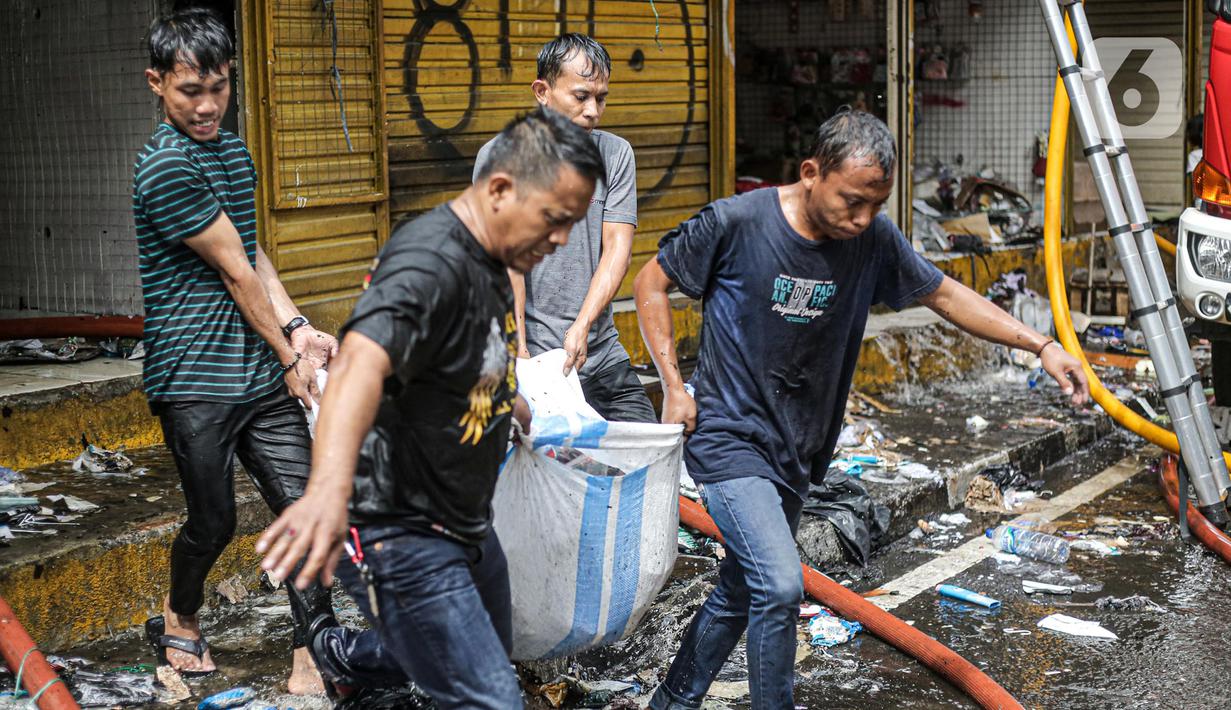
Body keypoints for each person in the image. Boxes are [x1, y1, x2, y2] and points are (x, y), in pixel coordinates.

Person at [634, 110, 1091, 709]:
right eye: (852, 201)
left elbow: (946, 295)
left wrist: (1042, 345)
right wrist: (673, 384)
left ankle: (671, 701)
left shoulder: (872, 238)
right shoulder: (736, 222)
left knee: (743, 589)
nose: (862, 218)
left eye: (876, 205)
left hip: (798, 446)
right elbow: (650, 282)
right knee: (779, 585)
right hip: (727, 436)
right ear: (811, 173)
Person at [254, 107, 604, 709]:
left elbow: (467, 363)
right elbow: (359, 367)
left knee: (477, 658)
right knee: (490, 699)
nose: (563, 239)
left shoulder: (493, 261)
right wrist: (327, 492)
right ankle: (343, 653)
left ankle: (342, 659)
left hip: (465, 521)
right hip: (398, 528)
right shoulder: (428, 262)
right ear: (501, 189)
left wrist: (516, 410)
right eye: (555, 218)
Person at [132, 8, 337, 692]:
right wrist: (290, 357)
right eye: (190, 91)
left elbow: (252, 254)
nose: (207, 105)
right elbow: (233, 274)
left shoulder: (233, 150)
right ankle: (180, 612)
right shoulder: (165, 166)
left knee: (305, 508)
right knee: (212, 522)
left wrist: (297, 327)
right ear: (157, 83)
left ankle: (313, 652)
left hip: (256, 371)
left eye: (218, 87)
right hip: (193, 377)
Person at [473, 33, 656, 423]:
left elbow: (618, 250)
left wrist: (583, 326)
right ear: (543, 92)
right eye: (581, 96)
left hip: (600, 354)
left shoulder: (615, 154)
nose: (593, 111)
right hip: (534, 362)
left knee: (650, 445)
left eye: (601, 98)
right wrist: (521, 353)